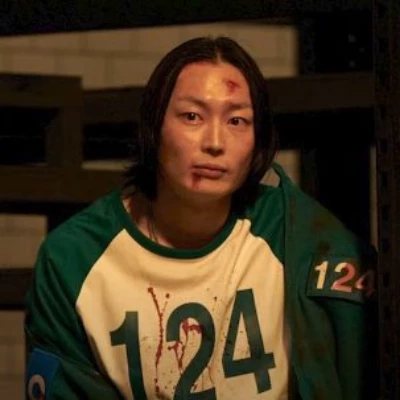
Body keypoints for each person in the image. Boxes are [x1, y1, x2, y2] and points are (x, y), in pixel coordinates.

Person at [25, 36, 377, 400]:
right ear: (154, 127)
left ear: (258, 139)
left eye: (237, 120)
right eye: (192, 116)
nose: (215, 142)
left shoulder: (295, 233)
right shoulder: (74, 259)